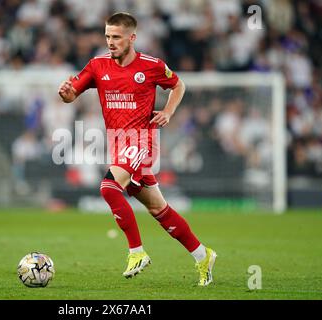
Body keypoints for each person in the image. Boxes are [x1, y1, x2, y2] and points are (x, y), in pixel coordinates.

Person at [58, 12, 217, 286]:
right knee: (159, 209)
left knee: (108, 188)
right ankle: (203, 255)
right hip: (118, 145)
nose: (110, 42)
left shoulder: (151, 66)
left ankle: (136, 252)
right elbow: (73, 94)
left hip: (142, 142)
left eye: (116, 37)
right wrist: (66, 94)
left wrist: (168, 110)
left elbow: (178, 84)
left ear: (132, 38)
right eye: (107, 36)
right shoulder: (97, 65)